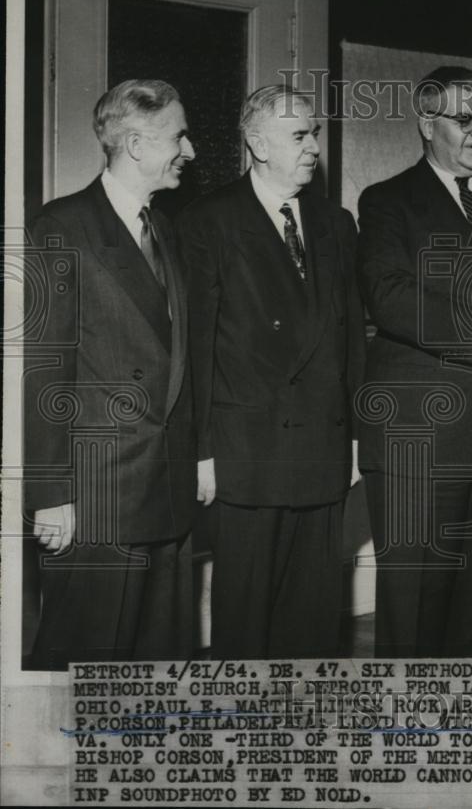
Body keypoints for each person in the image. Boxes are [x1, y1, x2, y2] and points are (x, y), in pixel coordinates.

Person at [356, 66, 472, 657]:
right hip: (419, 440)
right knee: (414, 611)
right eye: (464, 119)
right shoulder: (386, 201)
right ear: (426, 123)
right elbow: (388, 295)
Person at [179, 84, 365, 659]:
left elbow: (350, 339)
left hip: (322, 447)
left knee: (312, 614)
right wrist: (202, 452)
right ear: (257, 143)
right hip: (246, 451)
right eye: (299, 135)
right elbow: (196, 346)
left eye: (314, 133)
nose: (313, 146)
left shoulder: (337, 223)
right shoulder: (208, 221)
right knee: (247, 613)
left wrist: (355, 437)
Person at [24, 79, 197, 668]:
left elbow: (181, 359)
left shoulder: (165, 227)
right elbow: (45, 369)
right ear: (135, 143)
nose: (189, 150)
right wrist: (51, 495)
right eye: (178, 136)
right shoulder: (61, 227)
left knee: (156, 672)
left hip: (166, 494)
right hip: (97, 500)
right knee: (84, 665)